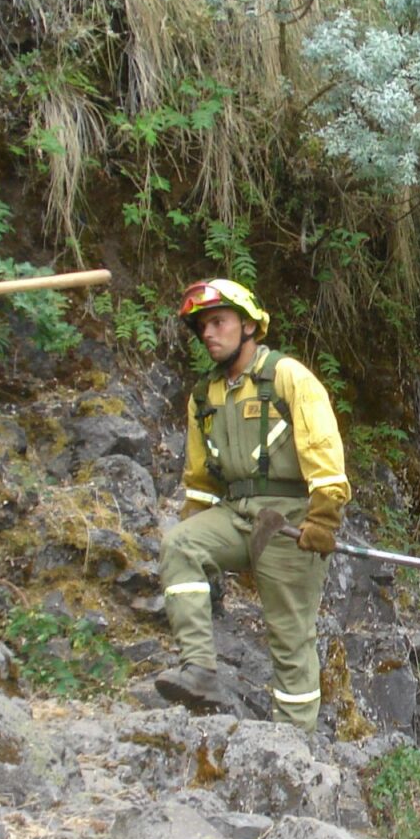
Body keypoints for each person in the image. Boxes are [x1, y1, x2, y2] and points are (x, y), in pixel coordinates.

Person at [154, 278, 350, 730]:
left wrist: (324, 517)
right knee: (180, 546)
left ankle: (294, 742)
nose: (208, 333)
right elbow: (200, 478)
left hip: (289, 521)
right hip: (235, 514)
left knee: (290, 636)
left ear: (247, 325)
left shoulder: (288, 377)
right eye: (202, 326)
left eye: (218, 322)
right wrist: (196, 522)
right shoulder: (205, 397)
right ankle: (198, 671)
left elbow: (323, 448)